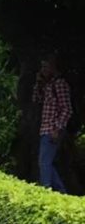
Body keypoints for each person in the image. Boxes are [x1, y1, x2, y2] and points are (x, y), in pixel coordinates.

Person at [33, 52, 72, 193]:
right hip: (45, 129)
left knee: (44, 163)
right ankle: (62, 194)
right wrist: (39, 83)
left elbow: (67, 109)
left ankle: (46, 193)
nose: (43, 69)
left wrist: (57, 128)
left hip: (52, 129)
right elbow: (36, 100)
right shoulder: (48, 85)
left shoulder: (60, 84)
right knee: (46, 163)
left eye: (45, 66)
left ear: (53, 66)